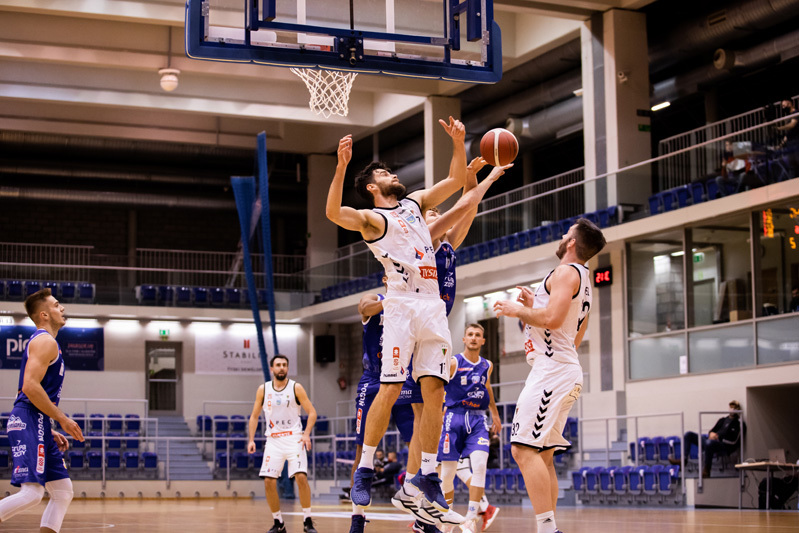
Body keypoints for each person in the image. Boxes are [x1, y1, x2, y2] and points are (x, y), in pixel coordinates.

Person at [326, 117, 469, 530]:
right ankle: (364, 469)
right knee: (390, 388)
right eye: (385, 173)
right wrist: (341, 166)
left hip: (433, 306)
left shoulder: (415, 204)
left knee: (435, 391)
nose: (394, 175)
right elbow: (333, 212)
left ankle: (426, 476)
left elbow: (456, 180)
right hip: (402, 305)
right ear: (373, 187)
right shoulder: (372, 220)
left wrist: (458, 143)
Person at [394, 157, 509, 533]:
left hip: (433, 328)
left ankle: (419, 500)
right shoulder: (421, 240)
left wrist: (475, 178)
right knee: (419, 418)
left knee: (424, 418)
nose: (436, 214)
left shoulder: (447, 245)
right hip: (415, 328)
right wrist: (486, 177)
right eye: (431, 212)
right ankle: (414, 493)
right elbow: (463, 204)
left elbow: (468, 208)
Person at [493, 218, 606, 533]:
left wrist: (518, 310)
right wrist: (533, 308)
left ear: (572, 242)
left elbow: (554, 319)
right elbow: (571, 333)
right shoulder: (584, 279)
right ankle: (548, 526)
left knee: (522, 449)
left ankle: (547, 529)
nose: (562, 235)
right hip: (563, 368)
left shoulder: (566, 272)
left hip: (553, 372)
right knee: (542, 455)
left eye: (566, 233)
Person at [0, 289, 85, 533]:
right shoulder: (45, 341)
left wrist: (48, 427)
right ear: (44, 315)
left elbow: (28, 390)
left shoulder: (47, 342)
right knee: (32, 494)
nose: (62, 308)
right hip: (29, 417)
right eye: (57, 305)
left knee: (62, 492)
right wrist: (62, 419)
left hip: (37, 420)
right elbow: (29, 387)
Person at [348, 284, 416, 533]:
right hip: (373, 380)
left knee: (417, 444)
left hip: (403, 379)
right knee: (361, 450)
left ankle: (420, 515)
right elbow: (364, 307)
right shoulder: (375, 299)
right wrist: (392, 300)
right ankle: (357, 518)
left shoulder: (414, 304)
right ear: (387, 278)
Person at [436, 324, 502, 533]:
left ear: (483, 341)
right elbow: (437, 388)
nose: (474, 338)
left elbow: (487, 388)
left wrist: (495, 413)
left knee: (480, 465)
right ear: (464, 339)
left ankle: (470, 519)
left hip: (478, 419)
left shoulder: (487, 365)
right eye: (470, 335)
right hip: (453, 417)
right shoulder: (454, 362)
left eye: (478, 335)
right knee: (447, 474)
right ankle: (447, 520)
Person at [247, 355, 318, 533]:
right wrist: (251, 439)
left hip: (295, 438)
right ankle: (278, 523)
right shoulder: (263, 389)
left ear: (287, 368)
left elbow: (312, 412)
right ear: (272, 368)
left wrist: (306, 434)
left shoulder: (296, 387)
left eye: (284, 365)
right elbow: (254, 416)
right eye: (278, 365)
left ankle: (307, 521)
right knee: (268, 481)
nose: (281, 368)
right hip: (274, 440)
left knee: (301, 477)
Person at [672, 400, 745, 478]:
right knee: (688, 434)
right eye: (731, 407)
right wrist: (711, 434)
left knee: (709, 443)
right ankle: (683, 460)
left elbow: (734, 441)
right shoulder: (722, 420)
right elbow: (712, 430)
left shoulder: (739, 424)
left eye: (734, 408)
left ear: (738, 409)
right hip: (710, 440)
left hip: (723, 445)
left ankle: (707, 469)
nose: (732, 409)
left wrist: (718, 437)